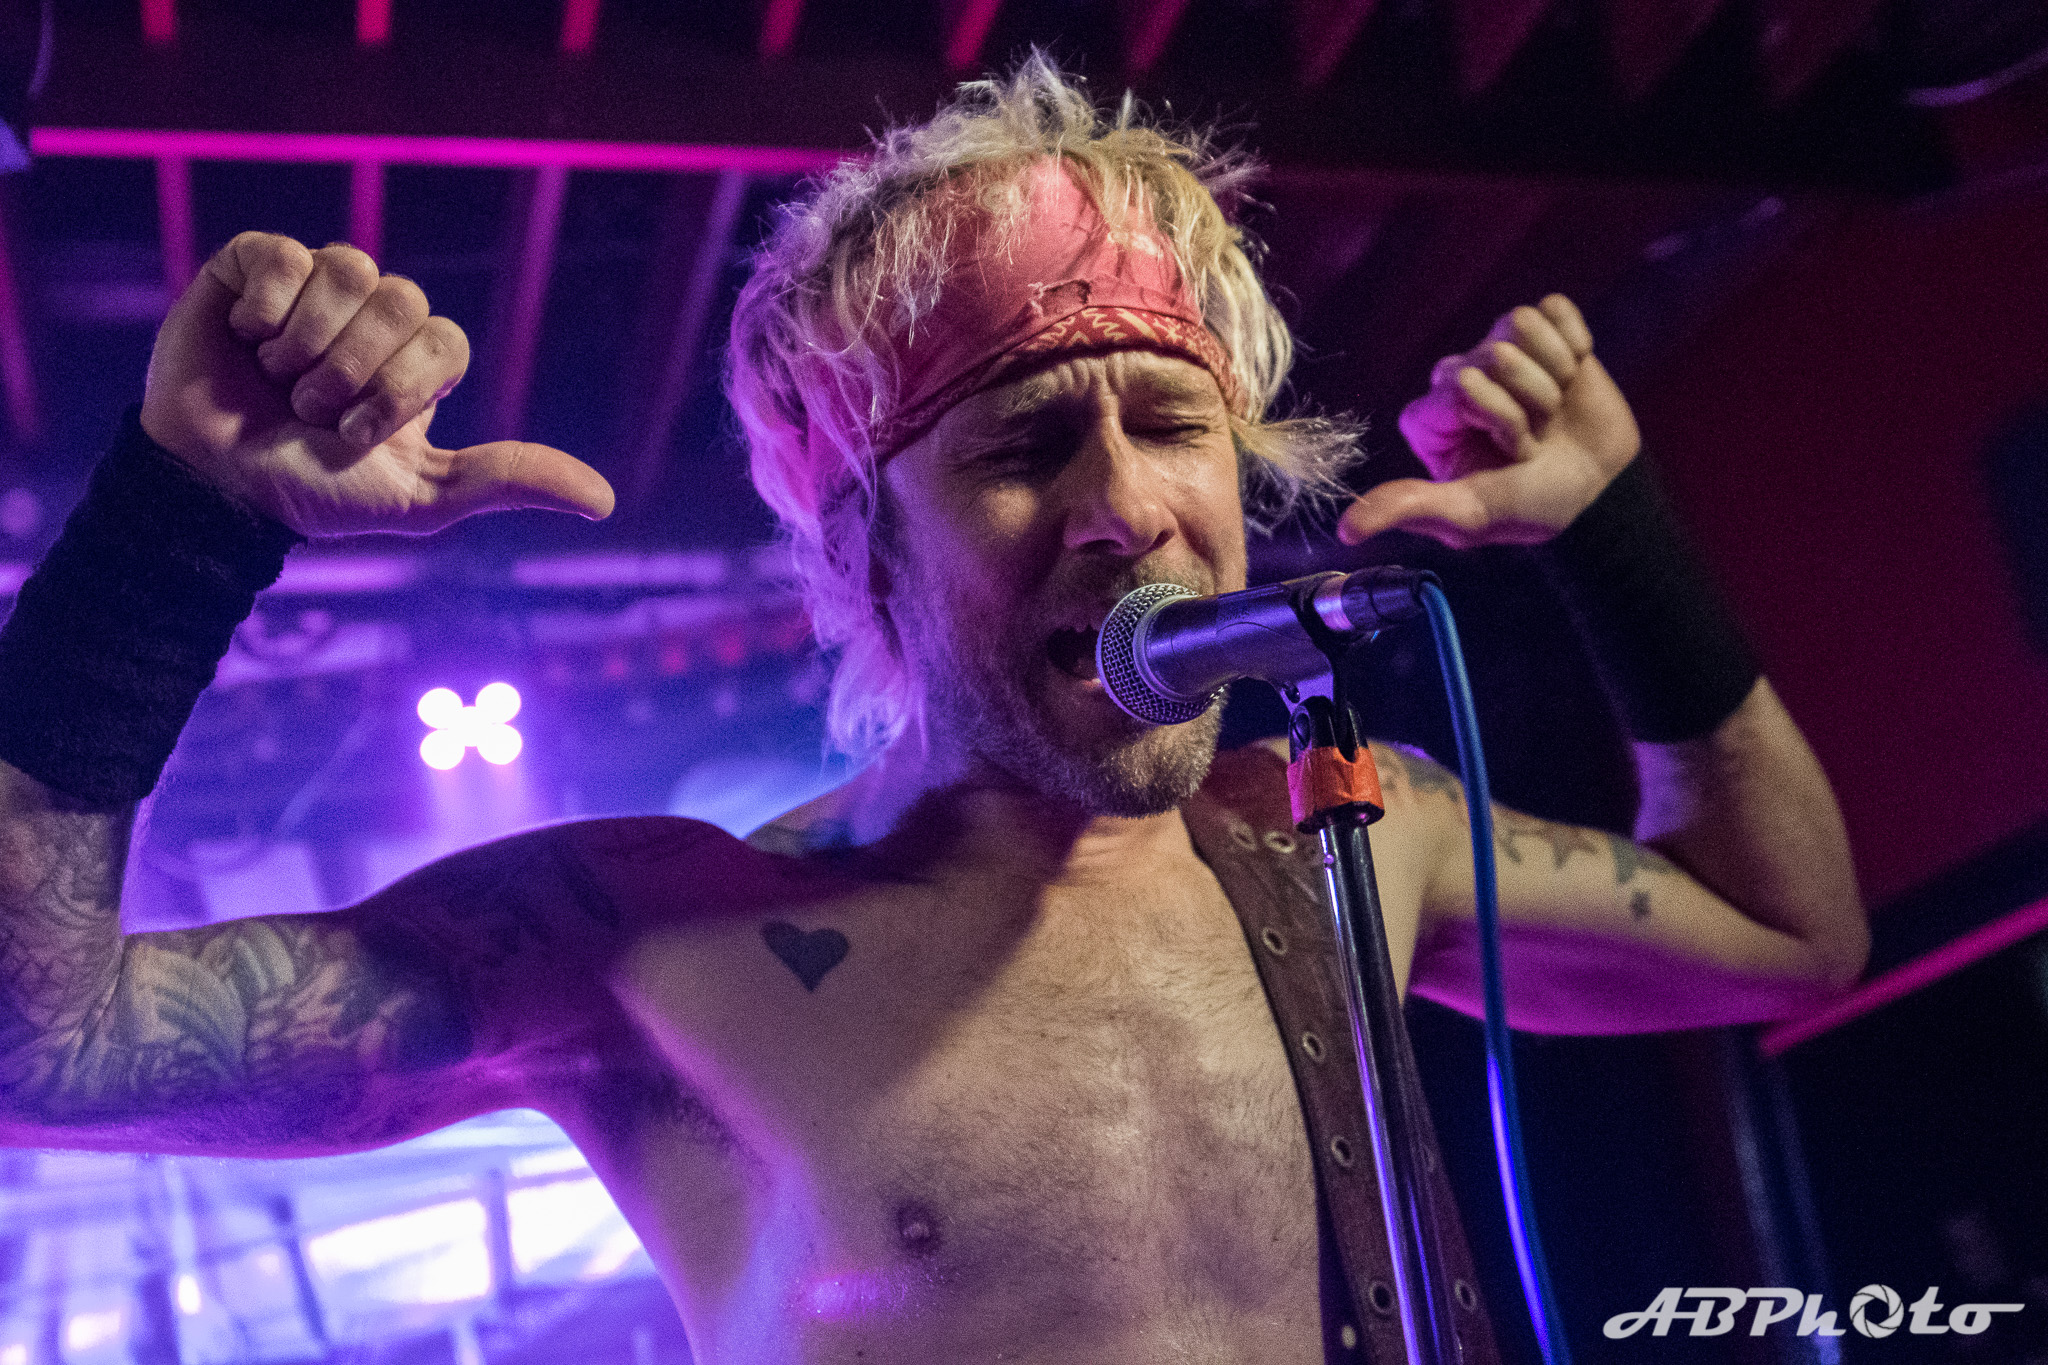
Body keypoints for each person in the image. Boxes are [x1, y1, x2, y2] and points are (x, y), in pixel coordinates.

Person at [0, 57, 1863, 1364]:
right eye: (1025, 447)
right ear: (867, 550)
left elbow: (1791, 926)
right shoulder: (653, 939)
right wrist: (181, 524)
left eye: (1172, 423)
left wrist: (1620, 534)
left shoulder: (1354, 839)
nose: (1124, 507)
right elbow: (37, 1051)